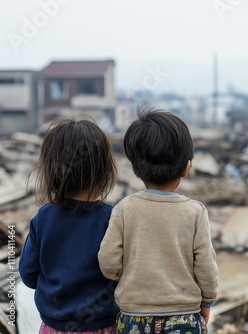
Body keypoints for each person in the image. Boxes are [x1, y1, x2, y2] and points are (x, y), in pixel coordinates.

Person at [98, 108, 218, 334]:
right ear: (186, 168)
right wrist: (208, 300)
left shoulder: (124, 209)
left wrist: (129, 278)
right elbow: (206, 265)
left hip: (133, 320)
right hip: (185, 318)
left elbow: (108, 261)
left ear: (133, 168)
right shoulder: (195, 212)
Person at [19, 117, 119, 334]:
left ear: (51, 170)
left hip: (54, 327)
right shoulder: (111, 218)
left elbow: (27, 274)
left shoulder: (43, 218)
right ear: (104, 171)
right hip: (104, 327)